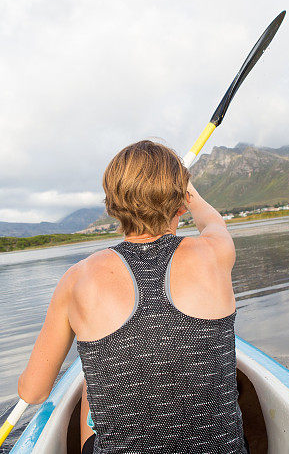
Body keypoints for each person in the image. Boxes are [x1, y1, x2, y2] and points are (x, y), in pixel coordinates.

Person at [17, 139, 248, 453]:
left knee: (90, 383)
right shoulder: (215, 254)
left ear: (112, 206)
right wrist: (189, 192)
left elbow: (33, 392)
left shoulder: (76, 279)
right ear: (181, 203)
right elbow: (213, 222)